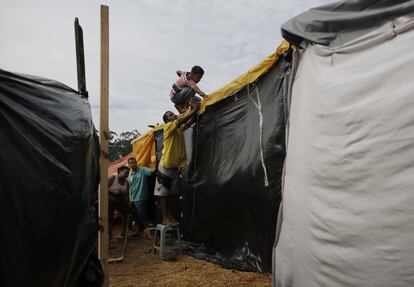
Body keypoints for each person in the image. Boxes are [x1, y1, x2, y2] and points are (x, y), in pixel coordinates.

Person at [155, 103, 200, 226]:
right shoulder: (168, 127)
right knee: (163, 193)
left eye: (173, 113)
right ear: (166, 120)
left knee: (171, 194)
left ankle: (169, 216)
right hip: (165, 166)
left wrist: (194, 111)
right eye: (170, 115)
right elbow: (182, 120)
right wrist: (193, 109)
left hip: (175, 166)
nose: (173, 115)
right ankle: (165, 217)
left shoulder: (178, 128)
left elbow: (189, 122)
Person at [127, 157, 154, 234]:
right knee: (135, 216)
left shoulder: (142, 170)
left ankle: (149, 231)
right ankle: (138, 230)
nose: (133, 164)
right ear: (129, 165)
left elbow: (151, 172)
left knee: (142, 215)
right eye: (131, 163)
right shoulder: (129, 174)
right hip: (132, 198)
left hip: (141, 197)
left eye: (134, 162)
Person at [108, 166, 130, 240]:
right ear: (120, 171)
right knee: (110, 218)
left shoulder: (126, 182)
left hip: (120, 201)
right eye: (126, 173)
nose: (127, 175)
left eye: (128, 173)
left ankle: (123, 233)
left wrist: (128, 203)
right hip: (110, 201)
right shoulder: (113, 178)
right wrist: (113, 191)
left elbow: (127, 194)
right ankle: (109, 236)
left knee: (126, 214)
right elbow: (103, 187)